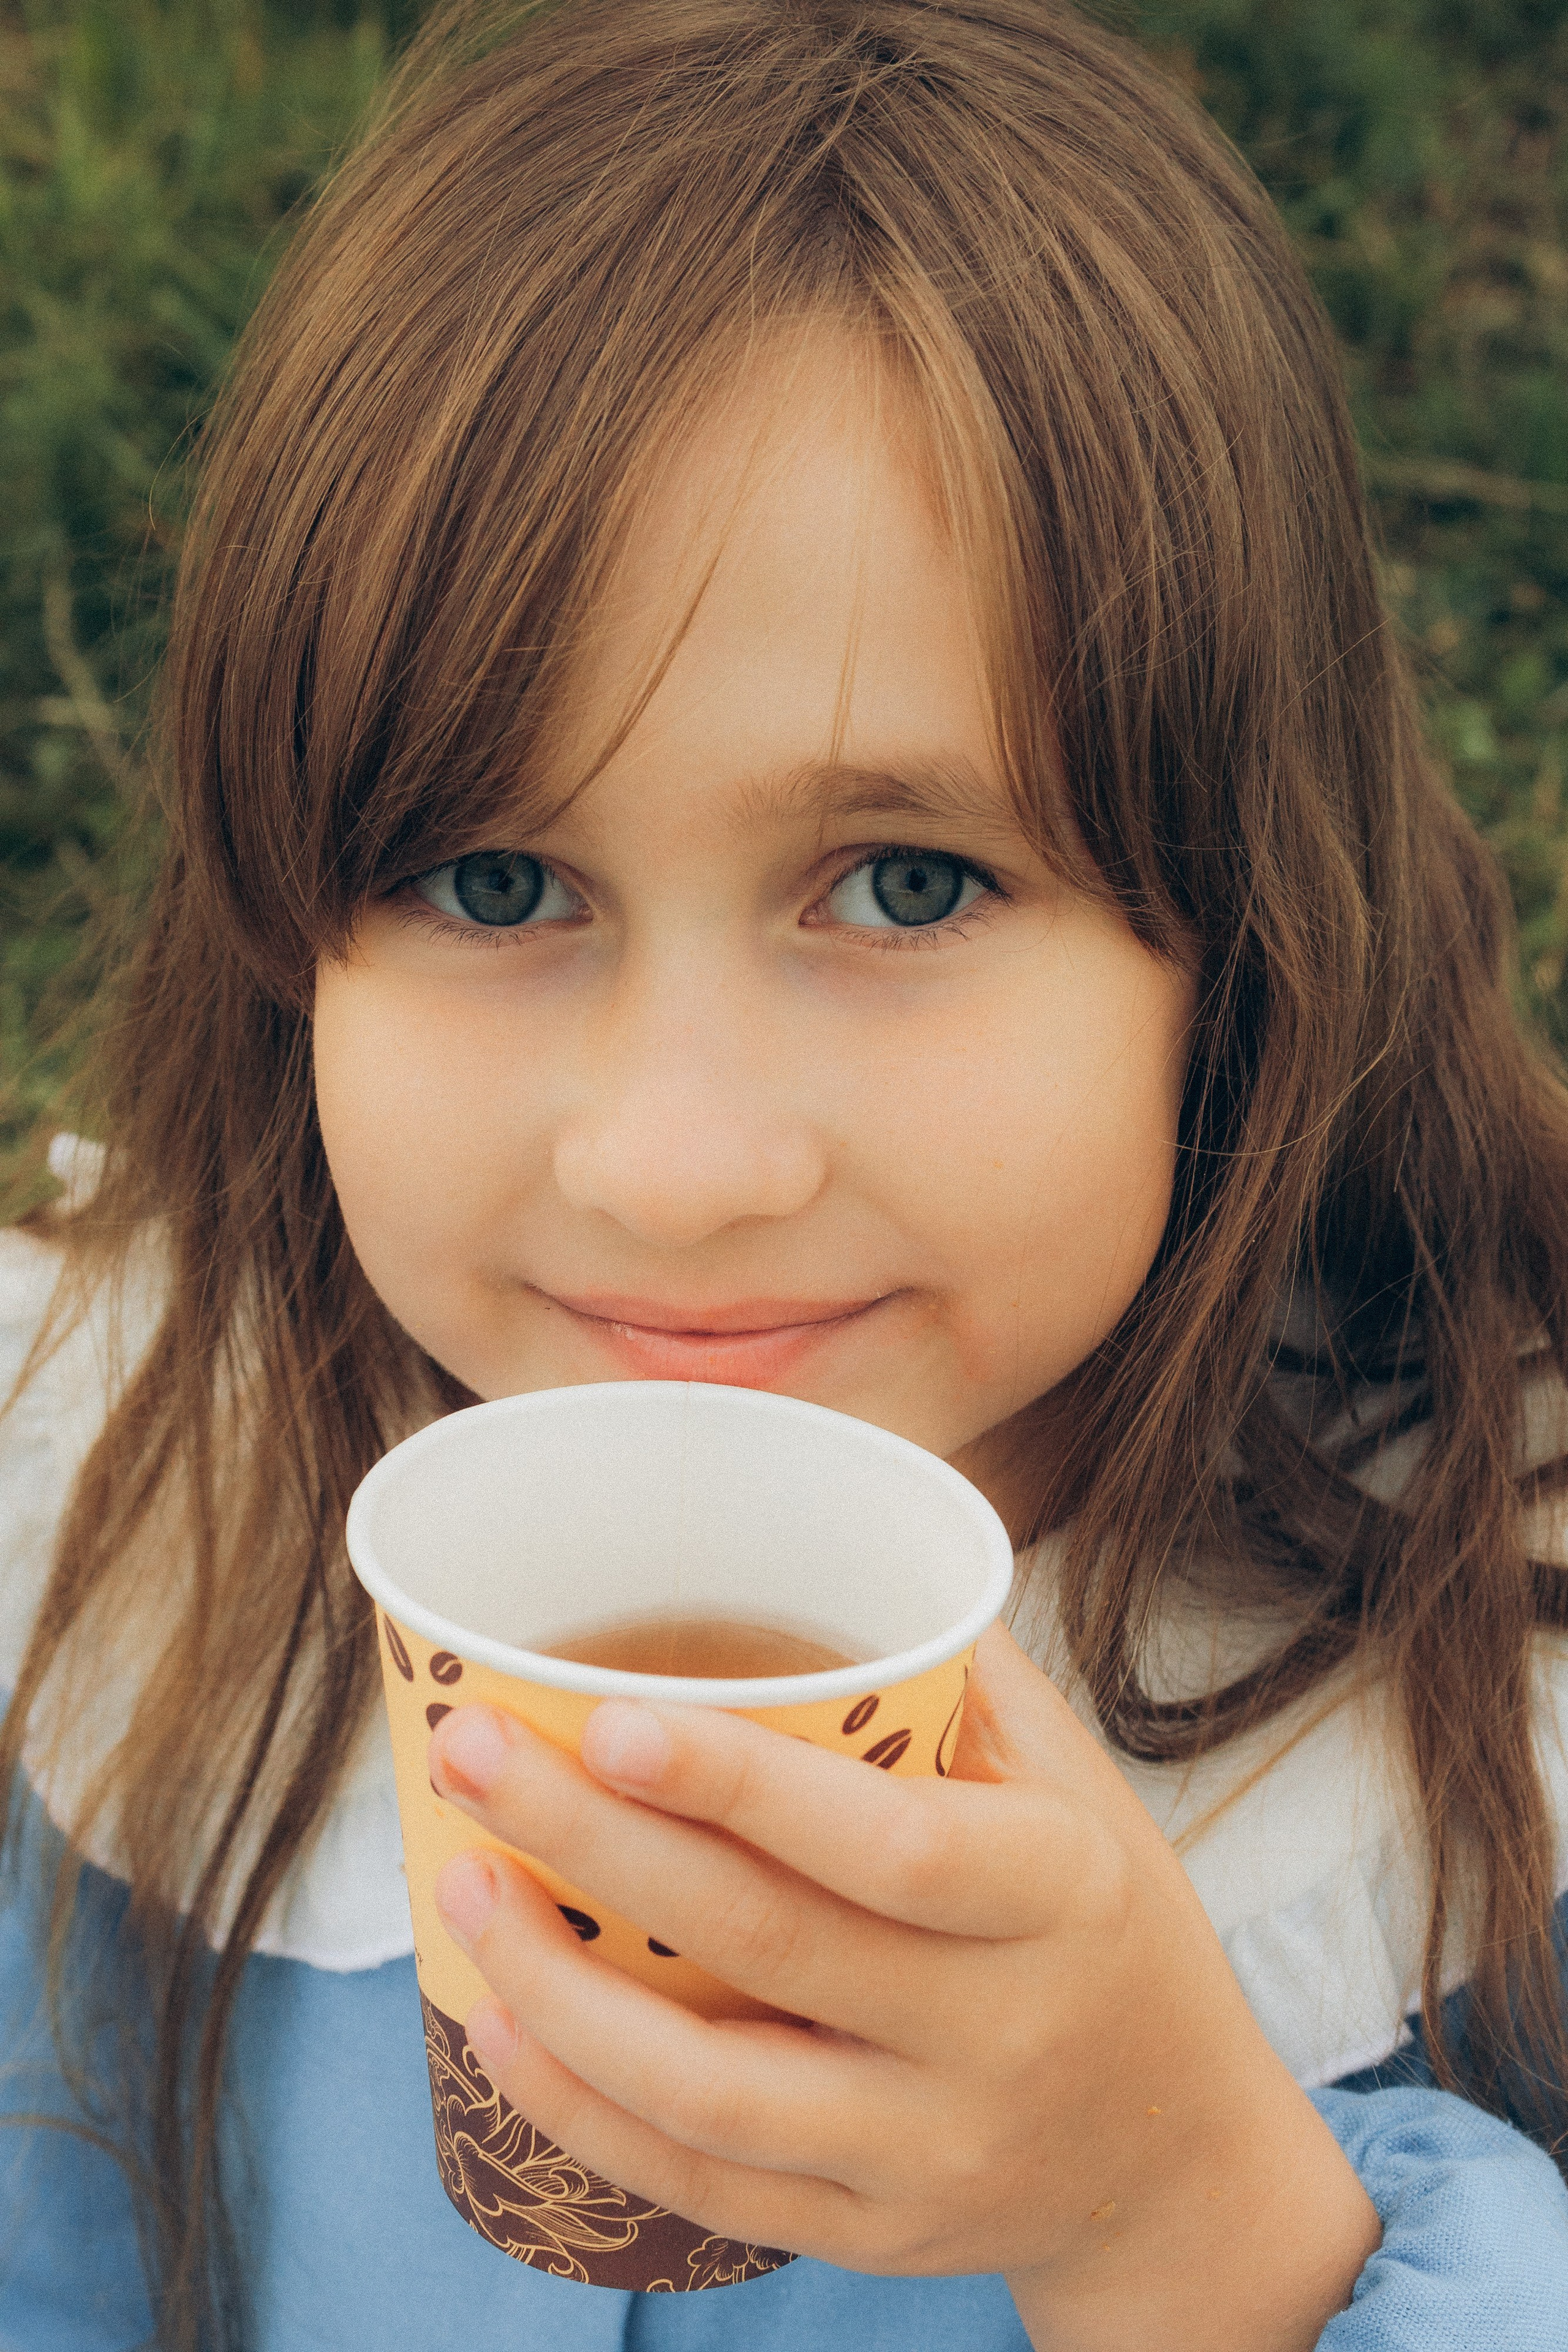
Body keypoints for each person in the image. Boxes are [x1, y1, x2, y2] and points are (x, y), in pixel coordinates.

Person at [3, 1, 1567, 2345]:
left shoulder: (1495, 1698)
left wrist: (1172, 2206)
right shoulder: (113, 1514)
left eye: (910, 884)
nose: (676, 1168)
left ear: (1240, 944)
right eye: (494, 882)